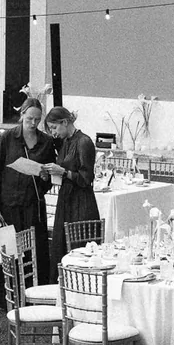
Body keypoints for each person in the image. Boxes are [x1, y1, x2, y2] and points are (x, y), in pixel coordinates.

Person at [0, 100, 57, 310]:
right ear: (22, 115)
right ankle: (8, 296)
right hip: (9, 203)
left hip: (32, 204)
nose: (33, 123)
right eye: (29, 119)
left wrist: (44, 176)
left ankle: (35, 294)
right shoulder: (7, 138)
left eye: (37, 119)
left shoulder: (45, 141)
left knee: (35, 249)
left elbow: (49, 176)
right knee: (10, 250)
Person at [44, 105, 100, 268]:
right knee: (61, 244)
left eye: (54, 128)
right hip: (66, 199)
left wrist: (63, 172)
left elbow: (86, 178)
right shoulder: (66, 142)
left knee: (78, 246)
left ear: (65, 122)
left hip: (81, 203)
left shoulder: (84, 142)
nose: (53, 133)